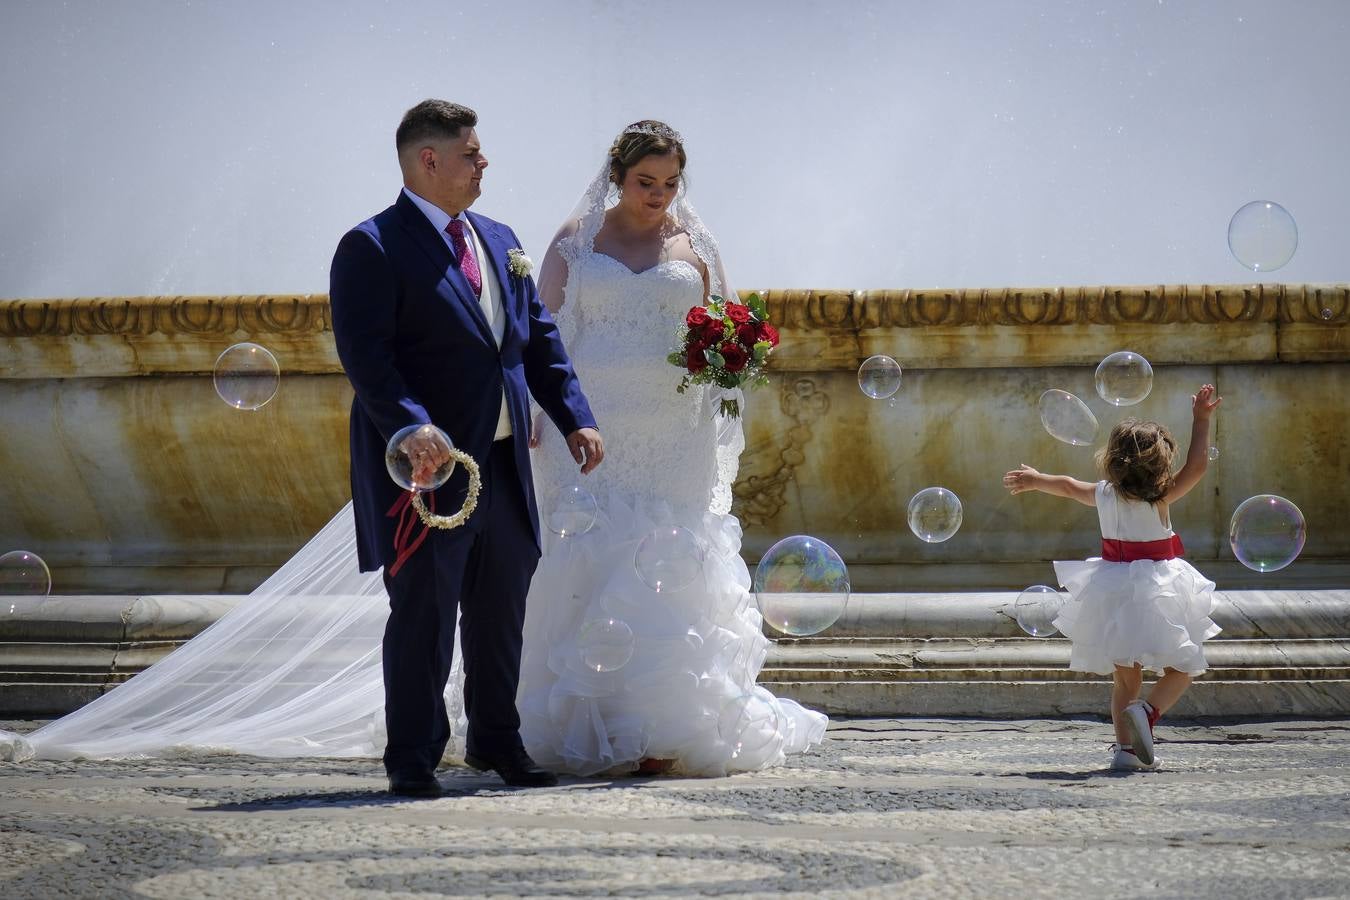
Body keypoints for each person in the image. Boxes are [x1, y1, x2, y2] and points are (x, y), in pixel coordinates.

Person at [507, 120, 827, 776]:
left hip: (675, 432)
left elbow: (722, 324)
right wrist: (542, 412)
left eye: (670, 183)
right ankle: (579, 724)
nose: (657, 195)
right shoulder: (574, 241)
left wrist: (734, 351)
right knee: (586, 560)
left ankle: (661, 728)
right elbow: (542, 335)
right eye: (644, 182)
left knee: (670, 561)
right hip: (589, 426)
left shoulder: (695, 241)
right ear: (617, 176)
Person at [328, 99, 602, 795]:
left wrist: (575, 417)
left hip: (506, 467)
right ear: (429, 160)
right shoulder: (372, 245)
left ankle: (497, 744)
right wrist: (411, 424)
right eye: (472, 153)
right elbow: (367, 356)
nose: (485, 163)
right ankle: (412, 758)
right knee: (423, 610)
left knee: (501, 609)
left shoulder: (499, 236)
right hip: (428, 470)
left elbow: (537, 339)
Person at [1003, 384, 1222, 771]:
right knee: (1184, 667)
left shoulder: (1104, 494)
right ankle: (1149, 713)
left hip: (1112, 587)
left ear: (1113, 460)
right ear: (1161, 462)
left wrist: (1035, 479)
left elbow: (1069, 486)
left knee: (1125, 679)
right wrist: (1201, 420)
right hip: (1159, 588)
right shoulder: (1161, 497)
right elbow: (1199, 465)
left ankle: (1126, 752)